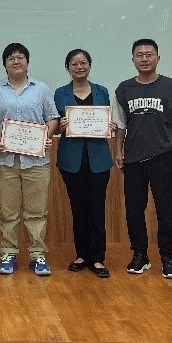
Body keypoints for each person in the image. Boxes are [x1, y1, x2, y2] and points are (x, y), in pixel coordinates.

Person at [113, 38, 172, 279]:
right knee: (134, 210)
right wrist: (117, 150)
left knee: (167, 209)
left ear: (158, 58)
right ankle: (140, 255)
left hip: (163, 156)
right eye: (139, 55)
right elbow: (120, 124)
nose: (144, 59)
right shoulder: (124, 89)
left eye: (149, 54)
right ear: (133, 60)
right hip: (133, 159)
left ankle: (168, 257)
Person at [0, 43, 59, 276]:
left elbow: (52, 118)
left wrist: (46, 137)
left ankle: (37, 255)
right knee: (8, 212)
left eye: (20, 57)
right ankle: (8, 254)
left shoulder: (41, 89)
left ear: (27, 62)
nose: (16, 61)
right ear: (4, 64)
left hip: (36, 161)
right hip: (6, 160)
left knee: (36, 211)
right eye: (11, 58)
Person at [54, 49, 114, 278]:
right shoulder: (60, 93)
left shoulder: (102, 91)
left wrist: (109, 125)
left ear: (89, 65)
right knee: (77, 207)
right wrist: (61, 126)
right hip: (71, 160)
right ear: (67, 68)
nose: (79, 67)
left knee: (97, 208)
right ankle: (81, 255)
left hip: (98, 159)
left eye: (83, 63)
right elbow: (54, 125)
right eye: (74, 63)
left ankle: (97, 258)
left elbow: (107, 120)